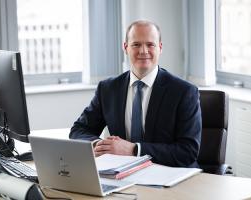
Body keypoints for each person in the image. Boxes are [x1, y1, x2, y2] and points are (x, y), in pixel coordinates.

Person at [69, 20, 201, 168]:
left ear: (160, 47)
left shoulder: (184, 92)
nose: (143, 51)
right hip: (122, 174)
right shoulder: (108, 89)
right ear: (125, 47)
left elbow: (188, 151)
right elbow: (79, 130)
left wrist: (134, 150)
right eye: (136, 44)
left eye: (150, 44)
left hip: (170, 175)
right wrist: (100, 145)